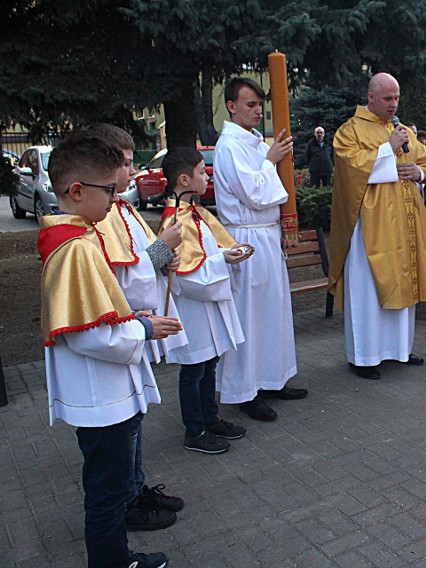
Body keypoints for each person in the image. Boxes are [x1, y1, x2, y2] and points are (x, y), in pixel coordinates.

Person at [39, 128, 182, 568]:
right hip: (101, 397)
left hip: (102, 392)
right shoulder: (76, 248)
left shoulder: (74, 237)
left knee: (111, 488)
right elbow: (85, 333)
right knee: (107, 494)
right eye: (109, 190)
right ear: (77, 191)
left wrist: (136, 324)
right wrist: (142, 328)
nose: (116, 197)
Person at [87, 124, 186, 532]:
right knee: (125, 424)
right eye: (124, 164)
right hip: (122, 332)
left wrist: (166, 258)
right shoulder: (102, 217)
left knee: (137, 414)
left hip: (135, 331)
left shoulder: (123, 209)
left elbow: (146, 258)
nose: (130, 172)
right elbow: (119, 277)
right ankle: (127, 498)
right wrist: (163, 249)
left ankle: (135, 485)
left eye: (129, 163)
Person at [328, 72, 426, 380]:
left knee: (404, 281)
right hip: (371, 227)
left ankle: (400, 349)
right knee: (368, 289)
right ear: (371, 97)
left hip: (404, 223)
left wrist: (416, 173)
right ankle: (364, 356)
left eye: (397, 98)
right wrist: (388, 150)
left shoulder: (402, 130)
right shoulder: (349, 131)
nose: (393, 104)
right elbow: (351, 169)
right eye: (388, 98)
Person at [214, 77, 307, 423]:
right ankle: (244, 390)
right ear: (232, 106)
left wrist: (284, 226)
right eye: (249, 104)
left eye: (259, 104)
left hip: (267, 236)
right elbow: (253, 192)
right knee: (249, 317)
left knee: (274, 313)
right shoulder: (229, 145)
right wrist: (269, 161)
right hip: (246, 238)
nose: (257, 110)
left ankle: (273, 378)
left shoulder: (253, 141)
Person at [161, 147, 252, 454]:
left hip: (207, 307)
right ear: (184, 179)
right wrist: (222, 260)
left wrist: (230, 254)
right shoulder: (175, 221)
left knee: (209, 365)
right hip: (192, 310)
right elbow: (185, 275)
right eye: (201, 171)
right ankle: (194, 430)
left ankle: (210, 419)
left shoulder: (196, 213)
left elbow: (210, 250)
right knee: (193, 370)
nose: (206, 175)